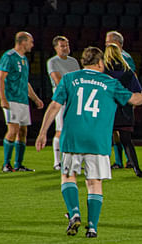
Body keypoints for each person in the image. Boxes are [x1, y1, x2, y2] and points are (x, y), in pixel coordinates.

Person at [35, 47, 142, 238]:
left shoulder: (70, 79)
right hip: (98, 139)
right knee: (94, 183)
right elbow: (133, 99)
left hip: (73, 136)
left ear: (83, 63)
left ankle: (74, 213)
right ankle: (92, 228)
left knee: (68, 175)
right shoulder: (109, 82)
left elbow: (55, 105)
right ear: (100, 63)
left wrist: (42, 133)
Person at [0, 31, 44, 172]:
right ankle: (6, 164)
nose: (32, 44)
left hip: (23, 100)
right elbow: (1, 78)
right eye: (30, 41)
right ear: (23, 42)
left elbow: (25, 82)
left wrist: (35, 99)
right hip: (12, 99)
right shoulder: (8, 57)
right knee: (13, 130)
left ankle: (18, 164)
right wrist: (3, 98)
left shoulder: (24, 59)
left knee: (23, 131)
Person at [104, 43, 142, 178]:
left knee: (105, 140)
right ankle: (136, 168)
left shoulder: (104, 72)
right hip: (125, 109)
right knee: (127, 140)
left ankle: (103, 169)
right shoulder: (128, 72)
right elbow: (138, 91)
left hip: (108, 109)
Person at [47, 36, 80, 170]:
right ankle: (57, 162)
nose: (66, 48)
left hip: (75, 99)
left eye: (67, 45)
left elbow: (79, 80)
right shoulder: (52, 62)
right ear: (56, 48)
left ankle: (73, 161)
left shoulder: (74, 61)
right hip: (61, 99)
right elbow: (58, 80)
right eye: (62, 46)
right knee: (60, 130)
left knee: (75, 130)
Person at [106, 30, 137, 168]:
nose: (106, 44)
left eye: (108, 42)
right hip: (122, 100)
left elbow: (132, 75)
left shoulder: (123, 57)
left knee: (119, 133)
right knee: (119, 133)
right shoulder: (121, 58)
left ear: (117, 43)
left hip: (120, 100)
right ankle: (123, 161)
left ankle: (123, 161)